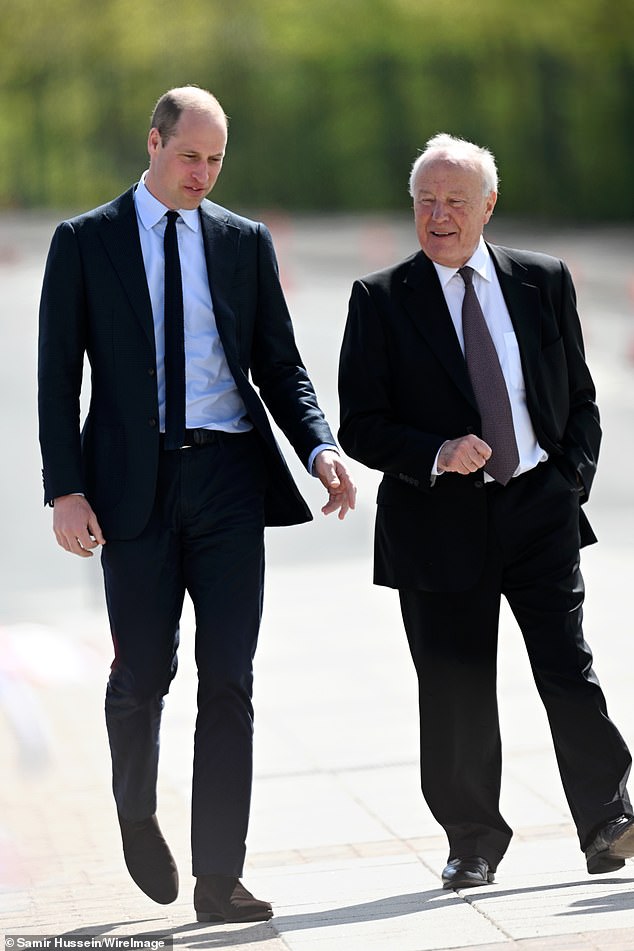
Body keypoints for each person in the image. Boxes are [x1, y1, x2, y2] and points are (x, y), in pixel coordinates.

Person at [38, 85, 355, 922]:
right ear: (153, 141)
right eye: (190, 156)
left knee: (231, 680)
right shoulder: (84, 242)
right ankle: (136, 810)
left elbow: (279, 363)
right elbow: (54, 379)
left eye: (216, 161)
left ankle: (219, 876)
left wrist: (319, 445)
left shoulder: (244, 243)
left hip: (227, 481)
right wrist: (65, 489)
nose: (203, 174)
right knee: (143, 673)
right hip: (132, 487)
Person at [338, 133, 634, 890]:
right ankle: (472, 839)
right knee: (455, 688)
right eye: (426, 202)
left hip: (539, 507)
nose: (439, 216)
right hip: (437, 521)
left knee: (568, 667)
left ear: (487, 206)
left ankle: (608, 819)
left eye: (455, 203)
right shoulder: (378, 299)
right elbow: (360, 424)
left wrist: (568, 479)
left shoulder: (543, 281)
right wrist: (437, 450)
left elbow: (583, 400)